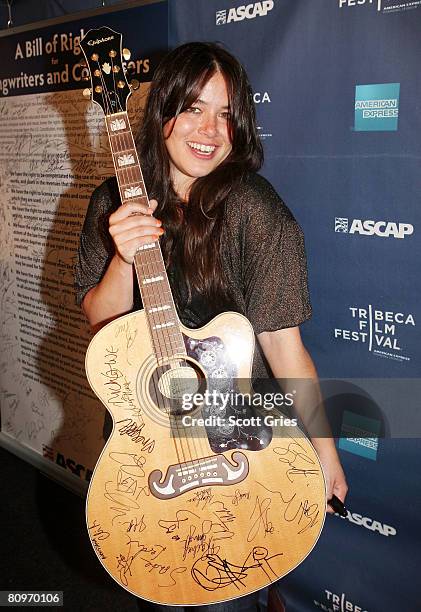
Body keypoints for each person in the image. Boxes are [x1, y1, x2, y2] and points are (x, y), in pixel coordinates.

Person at [75, 42, 347, 612]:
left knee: (223, 588)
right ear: (161, 111)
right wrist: (123, 255)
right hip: (150, 436)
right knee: (157, 580)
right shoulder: (112, 200)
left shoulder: (254, 209)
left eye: (226, 114)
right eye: (194, 108)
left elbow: (285, 347)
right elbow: (100, 323)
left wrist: (325, 450)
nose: (210, 130)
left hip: (240, 438)